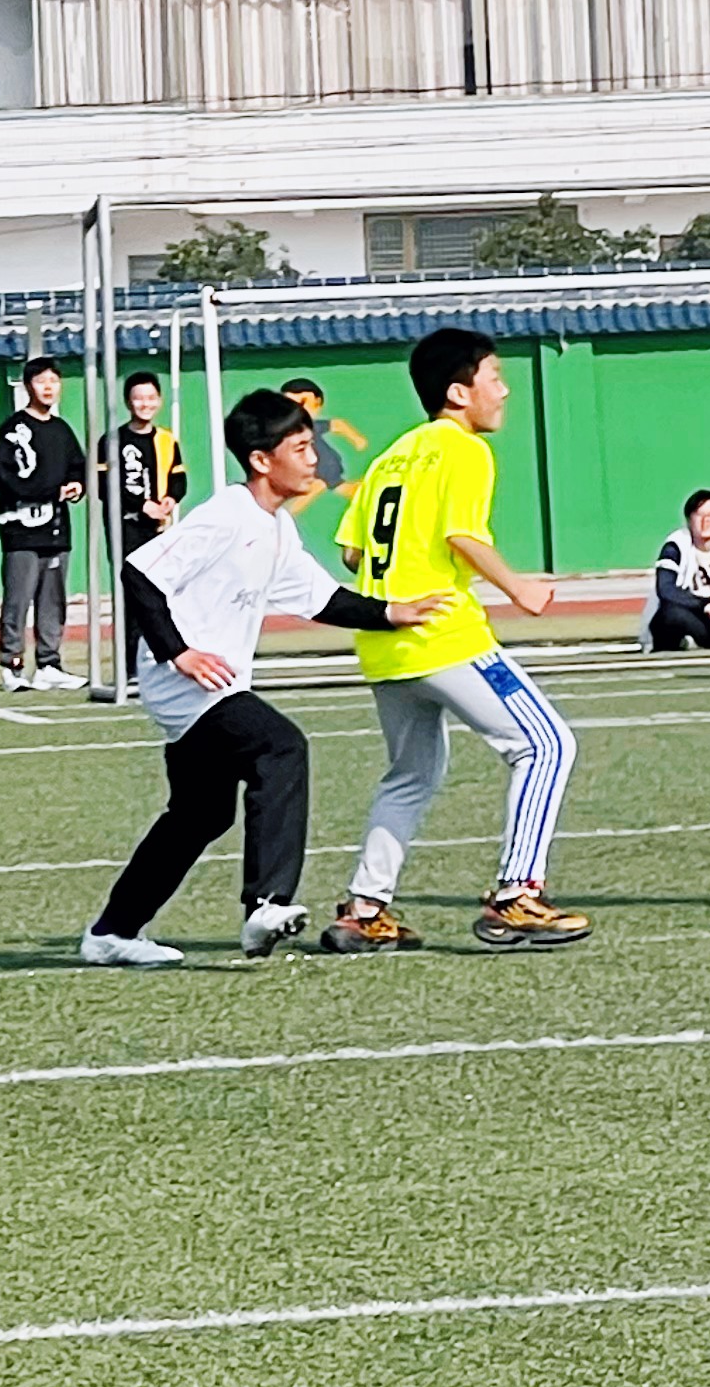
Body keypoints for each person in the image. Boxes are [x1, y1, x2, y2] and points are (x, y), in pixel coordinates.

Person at [85, 387, 444, 969]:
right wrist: (178, 653)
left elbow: (320, 598)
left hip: (216, 686)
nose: (312, 459)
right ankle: (267, 903)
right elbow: (138, 573)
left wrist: (390, 614)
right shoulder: (228, 514)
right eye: (301, 448)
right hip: (189, 685)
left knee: (201, 814)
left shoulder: (275, 528)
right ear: (261, 460)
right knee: (280, 745)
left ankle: (112, 932)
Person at [318, 329, 591, 955]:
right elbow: (462, 535)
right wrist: (519, 588)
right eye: (494, 377)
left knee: (411, 775)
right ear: (458, 392)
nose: (504, 390)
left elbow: (352, 546)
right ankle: (517, 894)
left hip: (386, 642)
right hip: (445, 634)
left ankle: (365, 908)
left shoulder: (393, 455)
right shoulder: (463, 450)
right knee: (546, 745)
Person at [0, 360, 86, 693]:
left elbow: (79, 466)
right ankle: (12, 666)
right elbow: (5, 478)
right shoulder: (14, 429)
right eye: (42, 381)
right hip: (21, 531)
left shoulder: (61, 429)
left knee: (53, 599)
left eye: (54, 381)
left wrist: (77, 485)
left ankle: (49, 663)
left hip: (57, 530)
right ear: (29, 386)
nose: (49, 387)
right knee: (18, 598)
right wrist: (51, 491)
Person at [110, 370, 189, 669]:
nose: (145, 404)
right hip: (127, 529)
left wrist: (170, 500)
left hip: (159, 530)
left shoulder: (167, 440)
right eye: (138, 398)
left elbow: (179, 480)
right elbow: (107, 485)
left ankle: (161, 657)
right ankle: (129, 665)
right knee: (134, 596)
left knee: (162, 595)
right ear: (128, 402)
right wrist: (143, 505)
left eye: (151, 398)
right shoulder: (114, 439)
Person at [647, 490, 710, 653]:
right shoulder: (676, 546)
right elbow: (665, 589)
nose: (705, 521)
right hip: (693, 611)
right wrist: (706, 605)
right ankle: (690, 639)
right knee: (670, 614)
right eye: (699, 515)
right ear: (689, 520)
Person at [278, 378, 364, 511]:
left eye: (303, 403)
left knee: (332, 486)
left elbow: (338, 424)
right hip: (315, 468)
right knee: (337, 487)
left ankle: (287, 513)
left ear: (317, 402)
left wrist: (357, 439)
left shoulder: (310, 427)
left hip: (324, 465)